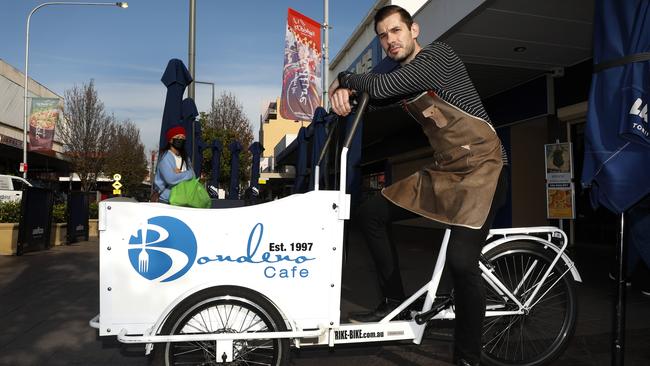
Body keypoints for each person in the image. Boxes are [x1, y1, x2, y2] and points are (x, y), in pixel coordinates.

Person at [328, 5, 508, 366]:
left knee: (461, 261)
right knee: (371, 213)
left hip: (485, 170)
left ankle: (468, 358)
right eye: (383, 36)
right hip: (446, 171)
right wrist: (341, 92)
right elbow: (375, 99)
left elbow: (378, 86)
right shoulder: (405, 78)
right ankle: (394, 303)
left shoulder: (438, 56)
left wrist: (345, 78)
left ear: (414, 30)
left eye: (396, 31)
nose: (390, 40)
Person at [154, 126, 195, 204]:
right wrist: (187, 174)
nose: (180, 139)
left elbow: (193, 175)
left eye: (183, 137)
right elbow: (171, 179)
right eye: (177, 137)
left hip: (183, 200)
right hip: (166, 200)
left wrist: (180, 174)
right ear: (170, 140)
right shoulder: (165, 156)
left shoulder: (186, 158)